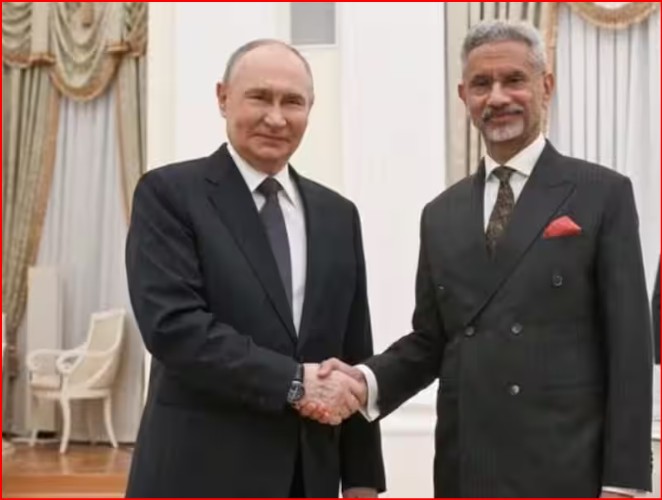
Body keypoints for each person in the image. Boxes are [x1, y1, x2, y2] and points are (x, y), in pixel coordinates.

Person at [306, 20, 653, 498]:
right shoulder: (440, 214)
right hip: (466, 470)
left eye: (514, 80)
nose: (497, 97)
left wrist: (625, 482)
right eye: (481, 84)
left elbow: (630, 347)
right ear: (463, 95)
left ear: (546, 85)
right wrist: (363, 381)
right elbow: (431, 342)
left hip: (568, 472)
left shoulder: (602, 194)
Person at [125, 39, 384, 498]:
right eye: (260, 97)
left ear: (310, 109)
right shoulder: (169, 194)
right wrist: (293, 383)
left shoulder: (338, 215)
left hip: (308, 478)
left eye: (292, 102)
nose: (276, 118)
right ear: (223, 98)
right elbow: (174, 328)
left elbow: (353, 351)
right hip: (199, 474)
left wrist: (362, 478)